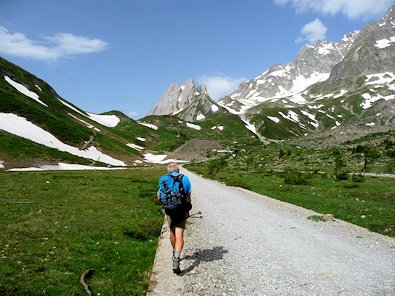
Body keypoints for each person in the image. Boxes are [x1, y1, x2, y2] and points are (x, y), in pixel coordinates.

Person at [157, 162, 192, 274]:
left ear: (168, 171)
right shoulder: (184, 179)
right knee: (179, 234)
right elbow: (188, 196)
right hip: (181, 210)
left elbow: (159, 196)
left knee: (172, 231)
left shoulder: (163, 180)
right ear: (178, 170)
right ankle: (176, 258)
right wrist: (188, 209)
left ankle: (174, 251)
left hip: (169, 210)